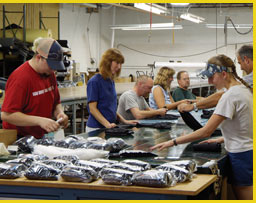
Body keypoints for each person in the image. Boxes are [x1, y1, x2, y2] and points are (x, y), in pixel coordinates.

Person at [151, 54, 253, 200]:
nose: (210, 81)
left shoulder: (230, 96)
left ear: (224, 74)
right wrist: (222, 139)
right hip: (247, 151)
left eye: (212, 77)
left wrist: (172, 142)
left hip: (241, 155)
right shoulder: (244, 90)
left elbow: (206, 131)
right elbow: (246, 125)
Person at [1, 37, 69, 139]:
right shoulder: (20, 78)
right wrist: (40, 121)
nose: (53, 70)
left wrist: (60, 113)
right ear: (38, 58)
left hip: (40, 137)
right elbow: (6, 115)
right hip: (19, 139)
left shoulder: (49, 74)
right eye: (51, 66)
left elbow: (56, 102)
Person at [178, 44, 253, 112]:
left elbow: (221, 96)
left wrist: (193, 106)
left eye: (240, 63)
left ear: (223, 74)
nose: (241, 68)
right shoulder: (240, 87)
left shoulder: (242, 85)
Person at [86, 48, 136, 132]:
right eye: (117, 63)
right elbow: (93, 109)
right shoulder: (94, 82)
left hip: (109, 127)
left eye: (120, 64)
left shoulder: (110, 81)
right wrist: (107, 124)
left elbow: (109, 108)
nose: (119, 67)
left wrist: (124, 121)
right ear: (107, 62)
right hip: (96, 128)